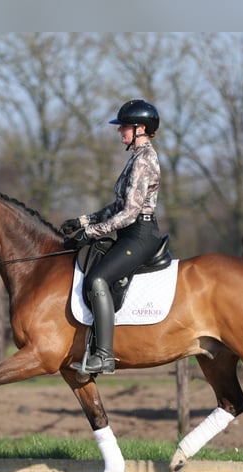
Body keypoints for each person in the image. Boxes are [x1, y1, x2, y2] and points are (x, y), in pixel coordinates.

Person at [60, 99, 164, 375]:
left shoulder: (144, 161)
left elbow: (129, 213)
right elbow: (117, 206)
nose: (120, 132)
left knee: (97, 280)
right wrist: (83, 221)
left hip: (139, 234)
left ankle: (104, 356)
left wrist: (91, 233)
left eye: (125, 127)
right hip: (130, 232)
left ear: (141, 128)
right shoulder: (135, 158)